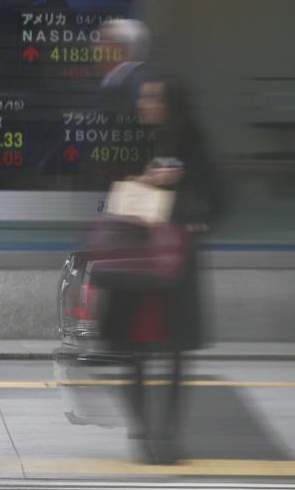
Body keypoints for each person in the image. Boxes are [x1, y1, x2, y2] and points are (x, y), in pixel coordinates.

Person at [115, 77, 220, 464]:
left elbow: (217, 198)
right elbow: (106, 194)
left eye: (154, 98)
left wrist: (187, 201)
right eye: (143, 97)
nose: (145, 104)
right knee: (134, 348)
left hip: (175, 262)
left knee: (175, 350)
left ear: (172, 103)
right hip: (136, 261)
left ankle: (170, 434)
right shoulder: (128, 141)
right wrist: (145, 179)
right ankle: (141, 430)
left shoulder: (194, 146)